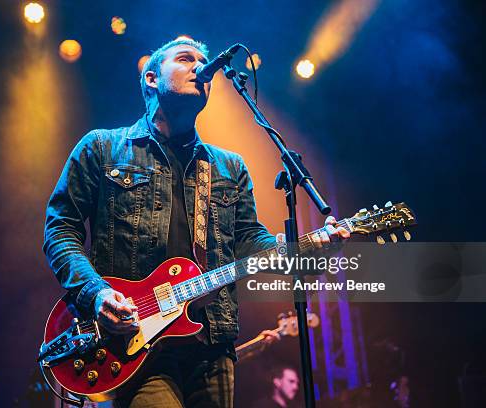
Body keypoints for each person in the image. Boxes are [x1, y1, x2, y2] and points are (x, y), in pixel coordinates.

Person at [43, 38, 349, 408]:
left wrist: (308, 250)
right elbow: (61, 230)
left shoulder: (228, 167)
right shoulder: (102, 148)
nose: (200, 67)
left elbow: (249, 240)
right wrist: (97, 294)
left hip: (212, 346)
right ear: (152, 79)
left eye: (204, 61)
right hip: (130, 341)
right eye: (186, 58)